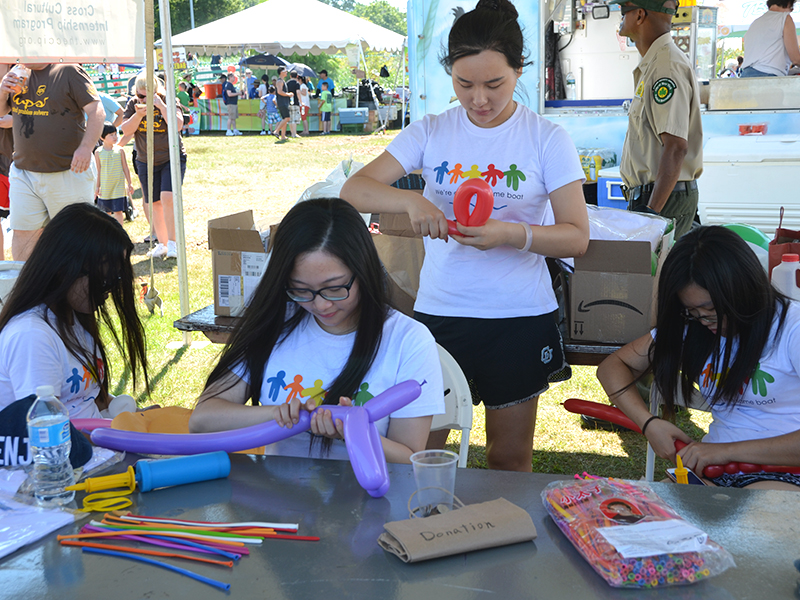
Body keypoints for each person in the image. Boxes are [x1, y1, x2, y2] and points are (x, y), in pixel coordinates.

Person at [340, 0, 589, 472]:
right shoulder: (432, 131)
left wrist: (510, 233)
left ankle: (502, 541)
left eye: (494, 84)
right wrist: (414, 201)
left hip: (517, 317)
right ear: (449, 73)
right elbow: (355, 189)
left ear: (520, 70)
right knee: (421, 454)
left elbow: (577, 237)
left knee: (509, 458)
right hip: (442, 314)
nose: (479, 99)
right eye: (464, 84)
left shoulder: (546, 138)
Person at [189, 198, 445, 464]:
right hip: (277, 499)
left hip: (369, 500)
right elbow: (202, 420)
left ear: (364, 270)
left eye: (334, 288)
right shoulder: (276, 324)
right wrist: (282, 414)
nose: (320, 304)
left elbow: (409, 458)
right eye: (301, 289)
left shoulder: (409, 340)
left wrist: (351, 431)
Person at [596, 226, 800, 491]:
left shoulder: (791, 328)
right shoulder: (693, 328)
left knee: (742, 525)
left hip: (784, 474)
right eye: (693, 311)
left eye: (711, 309)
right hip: (713, 472)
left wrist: (726, 451)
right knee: (640, 520)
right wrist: (648, 423)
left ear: (743, 287)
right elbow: (613, 367)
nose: (704, 321)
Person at [0, 203, 149, 419]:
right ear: (64, 268)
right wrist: (123, 431)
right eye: (104, 280)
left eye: (116, 279)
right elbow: (47, 431)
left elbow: (92, 399)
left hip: (94, 446)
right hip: (68, 450)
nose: (109, 291)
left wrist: (139, 418)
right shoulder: (32, 336)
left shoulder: (73, 318)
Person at [610, 0, 703, 239]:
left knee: (658, 276)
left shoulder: (665, 67)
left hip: (662, 200)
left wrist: (651, 214)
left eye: (624, 11)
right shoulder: (656, 63)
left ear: (640, 15)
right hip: (658, 198)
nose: (620, 16)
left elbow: (676, 147)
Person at [0, 63, 105, 261]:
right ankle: (29, 290)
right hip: (24, 172)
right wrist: (2, 91)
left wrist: (85, 147)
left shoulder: (68, 71)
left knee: (74, 236)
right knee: (23, 233)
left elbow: (96, 110)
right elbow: (1, 111)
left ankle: (77, 289)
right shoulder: (17, 72)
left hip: (69, 171)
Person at [120, 74, 186, 260]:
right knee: (153, 203)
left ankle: (174, 243)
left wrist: (160, 105)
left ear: (156, 92)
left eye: (147, 96)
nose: (143, 100)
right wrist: (138, 114)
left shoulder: (168, 100)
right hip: (145, 159)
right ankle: (163, 244)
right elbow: (125, 130)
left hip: (171, 157)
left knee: (167, 197)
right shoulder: (133, 104)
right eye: (140, 96)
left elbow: (178, 125)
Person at [740, 0, 800, 77]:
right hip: (768, 77)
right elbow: (796, 59)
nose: (791, 11)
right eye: (792, 8)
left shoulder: (755, 23)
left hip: (745, 76)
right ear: (788, 3)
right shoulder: (784, 18)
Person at [94, 123, 134, 225]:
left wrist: (130, 183)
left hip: (118, 187)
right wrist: (97, 187)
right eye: (111, 135)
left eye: (115, 134)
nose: (115, 137)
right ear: (102, 137)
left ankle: (120, 232)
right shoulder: (98, 152)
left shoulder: (120, 150)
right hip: (105, 187)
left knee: (118, 211)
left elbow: (125, 167)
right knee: (106, 213)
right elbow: (98, 171)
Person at [274, 67, 291, 143]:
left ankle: (283, 136)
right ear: (281, 72)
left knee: (285, 119)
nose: (286, 72)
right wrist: (288, 94)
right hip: (282, 102)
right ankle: (276, 131)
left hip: (284, 102)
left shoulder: (282, 81)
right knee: (287, 118)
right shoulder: (279, 81)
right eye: (285, 71)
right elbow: (280, 92)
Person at [286, 71, 301, 138]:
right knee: (294, 119)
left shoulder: (287, 83)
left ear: (290, 76)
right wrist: (301, 101)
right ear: (297, 76)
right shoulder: (297, 83)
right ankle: (294, 134)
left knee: (290, 119)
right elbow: (298, 93)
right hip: (295, 103)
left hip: (288, 103)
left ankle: (292, 133)